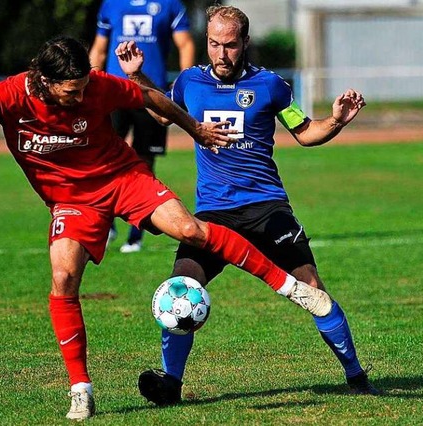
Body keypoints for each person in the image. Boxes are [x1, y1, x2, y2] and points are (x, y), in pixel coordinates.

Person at [0, 36, 333, 421]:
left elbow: (149, 98)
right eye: (73, 91)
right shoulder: (11, 94)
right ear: (45, 82)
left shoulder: (98, 85)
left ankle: (291, 288)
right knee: (63, 276)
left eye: (85, 86)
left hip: (122, 178)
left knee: (191, 231)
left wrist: (195, 128)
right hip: (73, 200)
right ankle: (81, 390)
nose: (83, 95)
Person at [114, 4, 381, 406]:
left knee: (311, 286)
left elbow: (306, 133)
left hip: (266, 208)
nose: (222, 54)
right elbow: (163, 113)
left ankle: (357, 377)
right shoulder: (189, 82)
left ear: (246, 43)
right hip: (213, 213)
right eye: (214, 44)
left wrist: (337, 120)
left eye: (231, 45)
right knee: (180, 289)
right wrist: (137, 76)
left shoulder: (272, 86)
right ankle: (171, 383)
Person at [89, 0, 195, 253]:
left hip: (151, 94)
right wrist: (91, 83)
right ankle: (107, 224)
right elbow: (99, 49)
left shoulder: (169, 5)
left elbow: (186, 44)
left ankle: (135, 234)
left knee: (144, 164)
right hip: (113, 94)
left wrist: (186, 84)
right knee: (103, 162)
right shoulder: (111, 5)